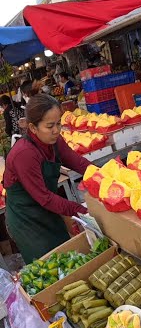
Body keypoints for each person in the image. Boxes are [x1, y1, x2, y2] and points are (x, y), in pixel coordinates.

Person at [3, 94, 92, 263]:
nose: (57, 130)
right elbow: (44, 197)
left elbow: (79, 163)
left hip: (48, 208)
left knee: (66, 254)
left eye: (58, 123)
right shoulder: (24, 154)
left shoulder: (55, 141)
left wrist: (105, 177)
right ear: (33, 127)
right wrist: (82, 211)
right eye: (50, 125)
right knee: (48, 265)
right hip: (27, 220)